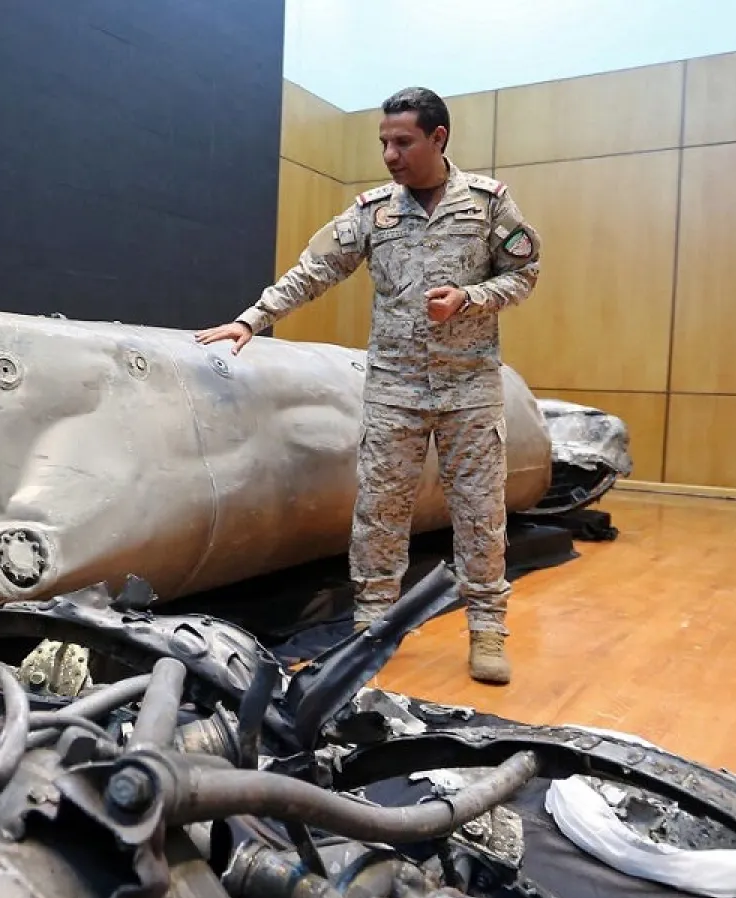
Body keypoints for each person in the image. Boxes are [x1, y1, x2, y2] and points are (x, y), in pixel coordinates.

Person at [194, 86, 541, 685]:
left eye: (402, 141)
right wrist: (253, 319)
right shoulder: (372, 212)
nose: (390, 154)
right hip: (394, 390)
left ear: (439, 137)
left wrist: (470, 298)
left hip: (469, 390)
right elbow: (315, 270)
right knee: (380, 513)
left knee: (480, 515)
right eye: (384, 141)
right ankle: (373, 627)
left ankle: (487, 628)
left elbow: (524, 272)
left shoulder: (487, 205)